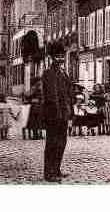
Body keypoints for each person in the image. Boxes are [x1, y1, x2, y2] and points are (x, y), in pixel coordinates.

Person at [41, 43, 73, 182]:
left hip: (64, 115)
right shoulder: (49, 73)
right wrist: (58, 113)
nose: (61, 59)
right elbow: (52, 96)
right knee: (52, 144)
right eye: (58, 57)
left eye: (62, 56)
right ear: (53, 58)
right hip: (54, 115)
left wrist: (69, 111)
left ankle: (57, 169)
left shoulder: (63, 73)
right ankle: (49, 173)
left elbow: (68, 93)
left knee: (62, 143)